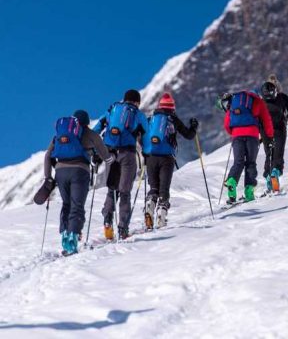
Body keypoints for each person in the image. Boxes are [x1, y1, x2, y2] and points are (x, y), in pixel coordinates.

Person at [43, 110, 114, 255]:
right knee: (77, 206)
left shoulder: (61, 134)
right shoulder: (89, 134)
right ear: (87, 122)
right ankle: (72, 240)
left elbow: (47, 155)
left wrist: (48, 177)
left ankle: (64, 236)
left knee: (66, 204)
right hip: (80, 172)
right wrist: (110, 159)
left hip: (60, 172)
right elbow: (104, 153)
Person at [93, 89, 149, 240]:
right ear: (137, 101)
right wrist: (147, 154)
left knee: (112, 189)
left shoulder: (112, 109)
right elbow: (147, 136)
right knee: (125, 192)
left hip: (110, 154)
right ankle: (123, 228)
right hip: (127, 155)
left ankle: (107, 220)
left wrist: (95, 151)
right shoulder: (138, 114)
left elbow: (97, 129)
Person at [143, 92, 198, 228]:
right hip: (167, 158)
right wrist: (194, 126)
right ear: (172, 107)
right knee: (164, 189)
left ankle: (150, 203)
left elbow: (143, 137)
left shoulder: (151, 119)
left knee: (154, 187)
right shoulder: (173, 119)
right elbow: (189, 135)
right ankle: (161, 213)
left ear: (160, 106)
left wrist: (145, 155)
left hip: (151, 157)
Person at [222, 90, 274, 203]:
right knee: (250, 162)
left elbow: (227, 123)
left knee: (238, 162)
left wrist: (234, 132)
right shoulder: (258, 101)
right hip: (252, 135)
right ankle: (249, 192)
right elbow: (266, 119)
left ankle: (231, 180)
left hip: (237, 135)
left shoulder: (234, 101)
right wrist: (270, 135)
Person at [259, 80, 288, 192]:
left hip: (265, 131)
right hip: (279, 128)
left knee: (269, 153)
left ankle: (269, 176)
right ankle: (275, 172)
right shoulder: (283, 97)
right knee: (278, 153)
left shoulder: (260, 102)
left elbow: (256, 117)